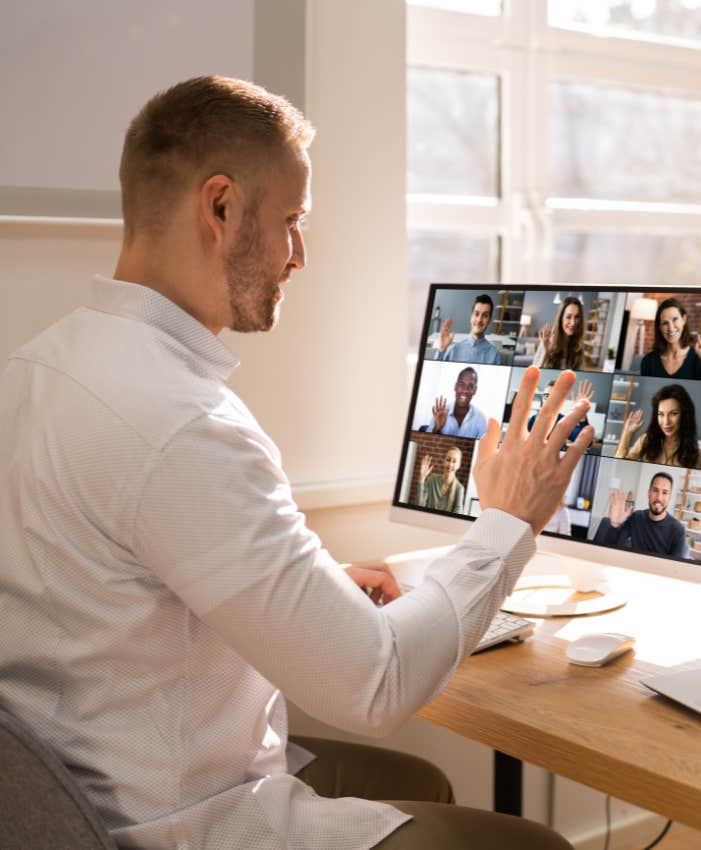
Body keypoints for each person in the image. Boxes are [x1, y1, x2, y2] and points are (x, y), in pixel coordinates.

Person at [0, 76, 593, 850]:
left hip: (62, 798)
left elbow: (113, 587)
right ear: (219, 208)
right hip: (172, 825)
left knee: (420, 788)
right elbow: (375, 686)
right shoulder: (183, 424)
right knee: (535, 845)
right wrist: (509, 519)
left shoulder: (36, 369)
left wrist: (305, 597)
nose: (300, 255)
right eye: (291, 221)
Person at [593, 472, 688, 559]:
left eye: (664, 492)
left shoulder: (678, 530)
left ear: (669, 497)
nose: (659, 497)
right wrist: (614, 524)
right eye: (655, 490)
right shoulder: (636, 517)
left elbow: (675, 570)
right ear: (649, 493)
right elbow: (612, 548)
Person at [615, 384, 701, 468]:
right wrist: (628, 432)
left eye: (673, 413)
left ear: (685, 414)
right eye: (661, 414)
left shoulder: (694, 454)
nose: (666, 422)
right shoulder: (646, 440)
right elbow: (619, 467)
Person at [639, 297, 701, 380]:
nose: (671, 328)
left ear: (684, 319)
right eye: (665, 323)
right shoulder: (649, 361)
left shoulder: (698, 358)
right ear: (659, 328)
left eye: (675, 319)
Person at [434, 294, 501, 365]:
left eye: (485, 315)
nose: (479, 320)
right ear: (471, 316)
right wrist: (441, 349)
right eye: (476, 314)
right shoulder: (453, 350)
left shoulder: (494, 355)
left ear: (489, 320)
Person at [527, 378, 594, 447]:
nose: (549, 400)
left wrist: (581, 413)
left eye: (554, 396)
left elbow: (586, 442)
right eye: (546, 396)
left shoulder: (564, 421)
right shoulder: (532, 419)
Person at [426, 366, 488, 439]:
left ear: (475, 390)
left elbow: (480, 448)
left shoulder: (481, 419)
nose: (465, 390)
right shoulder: (440, 413)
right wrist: (436, 429)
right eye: (461, 384)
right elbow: (426, 442)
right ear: (455, 386)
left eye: (470, 386)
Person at [533, 296, 587, 371]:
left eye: (577, 317)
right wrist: (546, 352)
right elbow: (534, 373)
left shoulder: (579, 346)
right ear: (561, 318)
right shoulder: (548, 340)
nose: (573, 322)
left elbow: (581, 373)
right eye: (568, 317)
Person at [417, 445, 466, 514]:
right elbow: (419, 505)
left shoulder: (459, 488)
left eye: (454, 461)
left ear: (459, 465)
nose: (450, 465)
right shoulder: (432, 479)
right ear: (444, 461)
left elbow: (457, 516)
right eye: (448, 460)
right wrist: (422, 478)